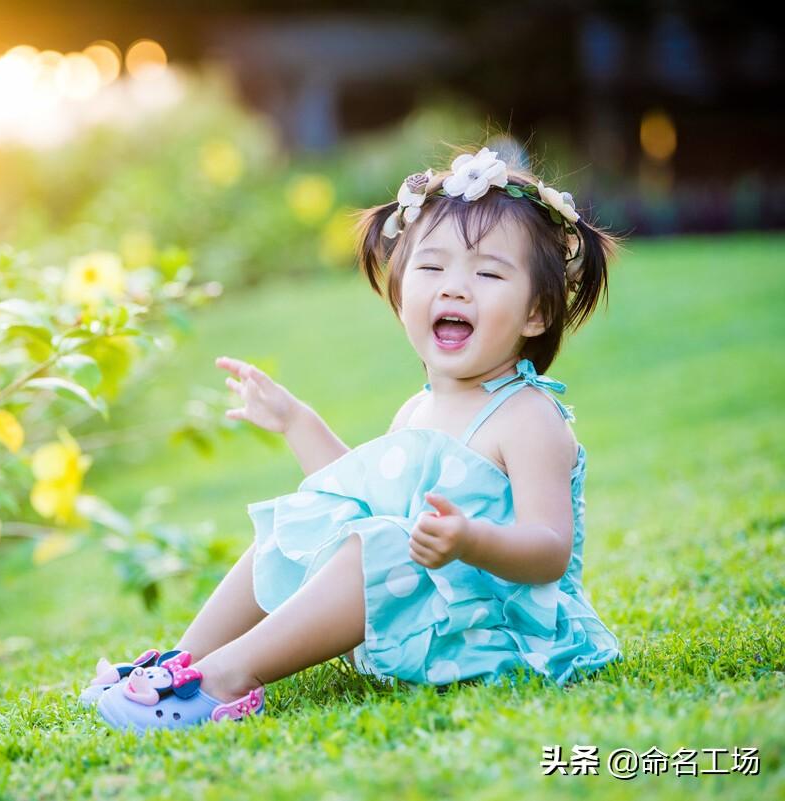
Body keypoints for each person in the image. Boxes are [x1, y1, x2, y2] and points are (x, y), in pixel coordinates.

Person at [85, 145, 626, 734]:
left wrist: (469, 540)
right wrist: (297, 421)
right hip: (416, 612)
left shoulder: (528, 417)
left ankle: (222, 682)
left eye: (488, 273)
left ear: (537, 315)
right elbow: (361, 500)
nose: (454, 289)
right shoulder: (419, 408)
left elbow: (549, 551)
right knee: (308, 514)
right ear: (400, 291)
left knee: (380, 545)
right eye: (431, 267)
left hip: (495, 630)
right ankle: (181, 662)